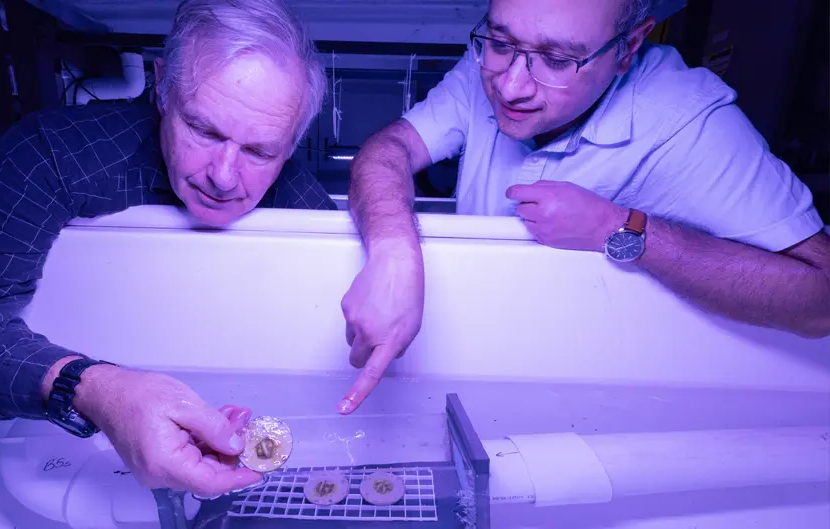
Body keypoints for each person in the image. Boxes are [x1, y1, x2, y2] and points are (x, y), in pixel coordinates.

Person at [0, 0, 330, 499]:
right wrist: (94, 389)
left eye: (259, 151)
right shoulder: (53, 154)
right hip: (48, 471)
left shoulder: (303, 205)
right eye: (203, 130)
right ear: (161, 88)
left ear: (292, 143)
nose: (224, 176)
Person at [337, 0, 830, 414]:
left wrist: (620, 229)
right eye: (501, 42)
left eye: (556, 60)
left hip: (608, 397)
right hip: (479, 360)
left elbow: (821, 298)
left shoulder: (691, 123)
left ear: (628, 48)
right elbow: (390, 149)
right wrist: (393, 255)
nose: (510, 87)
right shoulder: (486, 66)